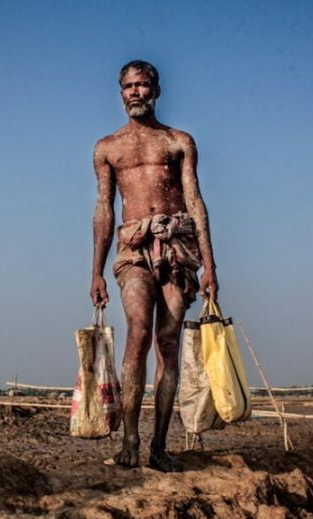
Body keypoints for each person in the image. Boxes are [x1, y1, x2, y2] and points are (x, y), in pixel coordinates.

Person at [90, 60, 219, 472]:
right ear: (120, 92)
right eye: (128, 86)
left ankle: (159, 446)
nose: (135, 93)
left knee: (169, 340)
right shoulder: (107, 148)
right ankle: (130, 440)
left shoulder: (178, 142)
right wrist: (95, 270)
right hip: (134, 248)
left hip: (177, 246)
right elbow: (104, 211)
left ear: (156, 90)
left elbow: (195, 202)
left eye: (143, 85)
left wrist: (211, 266)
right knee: (138, 332)